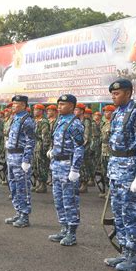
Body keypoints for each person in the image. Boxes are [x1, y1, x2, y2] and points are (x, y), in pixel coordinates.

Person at [104, 79, 136, 271]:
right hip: (117, 172)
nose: (114, 97)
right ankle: (124, 252)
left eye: (117, 93)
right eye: (112, 94)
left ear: (128, 93)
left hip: (131, 174)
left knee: (132, 215)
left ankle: (134, 257)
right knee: (119, 214)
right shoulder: (117, 113)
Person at [47, 94, 84, 246]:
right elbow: (56, 141)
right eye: (59, 104)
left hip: (68, 166)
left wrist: (75, 169)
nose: (59, 106)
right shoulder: (59, 121)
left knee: (70, 201)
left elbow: (79, 148)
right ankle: (63, 228)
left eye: (63, 104)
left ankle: (72, 233)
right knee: (59, 200)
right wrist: (51, 151)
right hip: (56, 165)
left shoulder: (75, 124)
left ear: (71, 106)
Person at [4, 95, 35, 228]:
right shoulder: (14, 118)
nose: (13, 106)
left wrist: (26, 159)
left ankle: (25, 215)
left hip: (20, 157)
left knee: (23, 187)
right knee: (13, 186)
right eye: (13, 104)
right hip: (11, 156)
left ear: (23, 105)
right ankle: (18, 211)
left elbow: (30, 141)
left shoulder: (27, 120)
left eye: (16, 104)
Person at [32, 104, 51, 193]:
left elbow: (45, 137)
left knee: (42, 166)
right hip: (35, 145)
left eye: (37, 110)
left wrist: (45, 149)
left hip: (40, 145)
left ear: (41, 111)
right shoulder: (35, 121)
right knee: (36, 166)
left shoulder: (44, 122)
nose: (34, 111)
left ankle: (43, 185)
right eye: (34, 110)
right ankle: (39, 183)